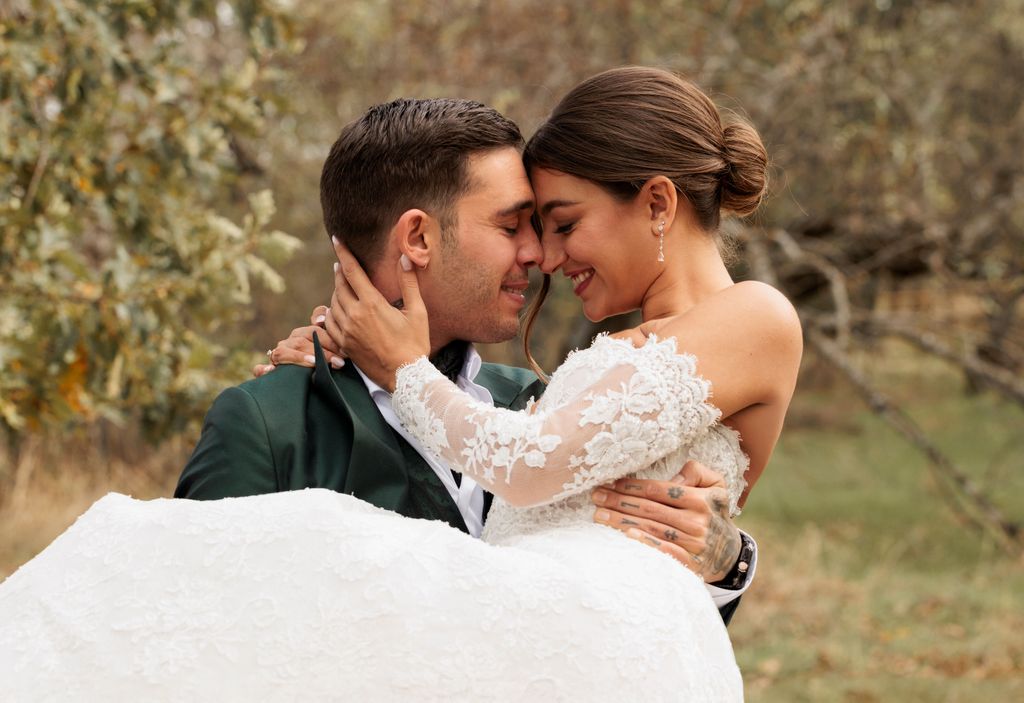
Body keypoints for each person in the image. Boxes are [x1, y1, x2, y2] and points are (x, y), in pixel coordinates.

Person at [0, 70, 797, 700]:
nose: (541, 257)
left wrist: (728, 559)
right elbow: (185, 636)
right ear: (417, 237)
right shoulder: (272, 417)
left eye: (551, 223)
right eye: (515, 226)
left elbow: (623, 601)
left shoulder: (537, 401)